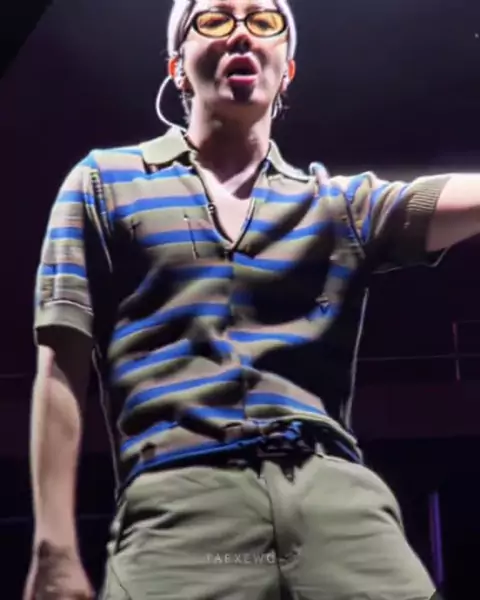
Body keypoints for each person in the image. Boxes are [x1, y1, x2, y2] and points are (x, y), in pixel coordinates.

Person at [24, 0, 480, 598]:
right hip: (179, 505)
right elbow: (61, 366)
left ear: (286, 69)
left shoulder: (335, 205)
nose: (241, 33)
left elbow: (452, 198)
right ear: (177, 67)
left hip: (337, 507)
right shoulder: (104, 183)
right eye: (215, 19)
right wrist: (54, 547)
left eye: (263, 21)